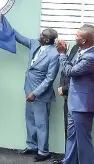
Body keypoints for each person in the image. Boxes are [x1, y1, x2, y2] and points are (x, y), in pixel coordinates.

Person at [54, 24, 94, 164]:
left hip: (83, 105)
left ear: (84, 41)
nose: (75, 38)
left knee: (83, 140)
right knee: (72, 136)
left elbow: (70, 71)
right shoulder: (82, 51)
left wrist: (62, 54)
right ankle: (68, 161)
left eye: (77, 36)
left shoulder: (91, 57)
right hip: (74, 102)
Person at [14, 28, 60, 162]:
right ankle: (32, 146)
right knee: (30, 121)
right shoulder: (35, 44)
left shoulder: (54, 54)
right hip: (28, 90)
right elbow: (19, 37)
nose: (39, 36)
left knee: (41, 124)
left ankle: (43, 152)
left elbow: (50, 78)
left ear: (47, 39)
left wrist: (35, 93)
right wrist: (2, 20)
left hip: (40, 94)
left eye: (42, 35)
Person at [57, 44, 79, 150]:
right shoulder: (75, 48)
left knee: (75, 133)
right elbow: (65, 72)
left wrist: (65, 88)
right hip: (67, 97)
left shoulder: (87, 56)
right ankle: (68, 158)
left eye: (78, 35)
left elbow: (78, 77)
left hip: (78, 100)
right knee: (68, 131)